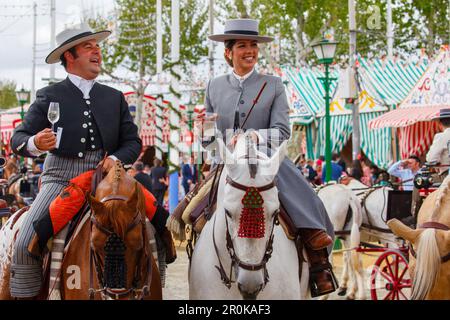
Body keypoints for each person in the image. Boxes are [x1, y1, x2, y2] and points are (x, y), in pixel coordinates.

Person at [9, 23, 143, 299]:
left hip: (109, 180)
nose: (97, 51)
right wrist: (36, 143)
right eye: (89, 47)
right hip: (60, 179)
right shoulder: (49, 95)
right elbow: (18, 138)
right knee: (24, 242)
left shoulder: (114, 97)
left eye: (97, 46)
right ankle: (27, 295)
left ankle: (150, 287)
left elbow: (133, 142)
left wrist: (115, 159)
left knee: (157, 226)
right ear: (70, 56)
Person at [206, 19, 336, 297]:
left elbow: (282, 130)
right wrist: (210, 143)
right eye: (242, 45)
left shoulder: (273, 84)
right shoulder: (213, 87)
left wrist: (254, 136)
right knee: (188, 210)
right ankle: (184, 247)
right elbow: (207, 135)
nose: (250, 50)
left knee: (303, 194)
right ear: (228, 52)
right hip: (228, 161)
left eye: (253, 45)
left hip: (266, 158)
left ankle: (318, 259)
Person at [426, 108, 450, 177]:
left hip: (447, 175)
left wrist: (437, 163)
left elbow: (431, 159)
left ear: (440, 124)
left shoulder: (441, 136)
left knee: (419, 184)